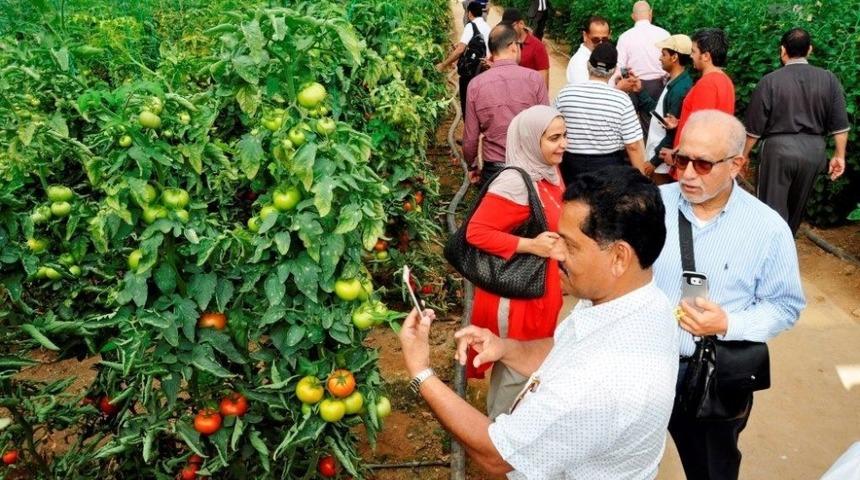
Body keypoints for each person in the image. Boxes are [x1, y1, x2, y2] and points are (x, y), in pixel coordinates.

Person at [399, 166, 679, 478]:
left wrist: (422, 373)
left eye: (570, 245)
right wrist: (506, 348)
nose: (556, 254)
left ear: (619, 257)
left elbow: (496, 454)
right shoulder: (642, 303)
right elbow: (565, 351)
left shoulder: (598, 383)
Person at [652, 110, 806, 480]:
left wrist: (728, 323)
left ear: (736, 164)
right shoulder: (651, 205)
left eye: (703, 164)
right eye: (681, 159)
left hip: (710, 378)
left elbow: (785, 306)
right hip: (642, 366)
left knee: (711, 469)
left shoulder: (768, 229)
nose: (687, 174)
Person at [463, 105, 565, 419]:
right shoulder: (515, 183)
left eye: (564, 136)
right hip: (517, 295)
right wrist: (530, 245)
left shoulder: (547, 172)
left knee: (521, 366)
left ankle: (503, 426)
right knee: (515, 369)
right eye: (554, 138)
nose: (563, 144)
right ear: (531, 140)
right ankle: (499, 434)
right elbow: (476, 232)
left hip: (539, 288)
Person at [743, 28, 850, 235]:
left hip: (778, 150)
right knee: (796, 210)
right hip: (813, 151)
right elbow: (840, 125)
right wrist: (839, 156)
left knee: (770, 211)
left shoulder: (770, 81)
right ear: (809, 50)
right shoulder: (829, 79)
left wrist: (744, 155)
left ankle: (772, 247)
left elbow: (754, 129)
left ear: (783, 50)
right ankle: (787, 243)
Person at [463, 24, 549, 186]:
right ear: (513, 46)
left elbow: (470, 139)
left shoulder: (476, 85)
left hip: (494, 171)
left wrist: (472, 165)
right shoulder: (534, 79)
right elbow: (546, 128)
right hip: (529, 169)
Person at [555, 42, 649, 184]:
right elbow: (633, 146)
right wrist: (641, 181)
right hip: (608, 165)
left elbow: (553, 127)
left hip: (570, 163)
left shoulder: (565, 94)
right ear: (614, 70)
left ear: (588, 65)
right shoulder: (622, 100)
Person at [663, 28, 735, 150]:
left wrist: (675, 154)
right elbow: (712, 123)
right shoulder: (726, 80)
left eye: (694, 51)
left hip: (695, 156)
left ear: (706, 56)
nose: (691, 56)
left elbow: (699, 131)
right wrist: (680, 123)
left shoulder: (707, 84)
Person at [637, 34, 694, 182]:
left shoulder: (679, 90)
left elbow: (672, 133)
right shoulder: (674, 82)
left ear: (674, 57)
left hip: (662, 164)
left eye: (663, 54)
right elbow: (658, 114)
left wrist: (654, 162)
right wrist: (640, 90)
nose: (660, 58)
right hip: (659, 158)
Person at [613, 1, 670, 133]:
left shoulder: (625, 37)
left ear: (633, 16)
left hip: (631, 83)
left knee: (628, 126)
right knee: (652, 127)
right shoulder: (664, 34)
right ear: (650, 14)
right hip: (657, 85)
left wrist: (621, 84)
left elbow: (620, 66)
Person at [437, 2, 490, 120]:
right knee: (480, 106)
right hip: (485, 71)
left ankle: (469, 131)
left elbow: (460, 50)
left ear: (469, 13)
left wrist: (444, 64)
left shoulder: (471, 26)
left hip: (471, 74)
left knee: (468, 106)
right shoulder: (487, 27)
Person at [501, 8, 550, 87]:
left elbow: (543, 79)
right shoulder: (504, 43)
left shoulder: (537, 46)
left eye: (511, 26)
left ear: (521, 24)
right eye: (506, 27)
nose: (508, 30)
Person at [564, 15, 610, 85]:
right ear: (585, 36)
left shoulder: (602, 56)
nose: (601, 44)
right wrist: (618, 88)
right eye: (596, 40)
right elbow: (586, 91)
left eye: (604, 39)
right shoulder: (579, 62)